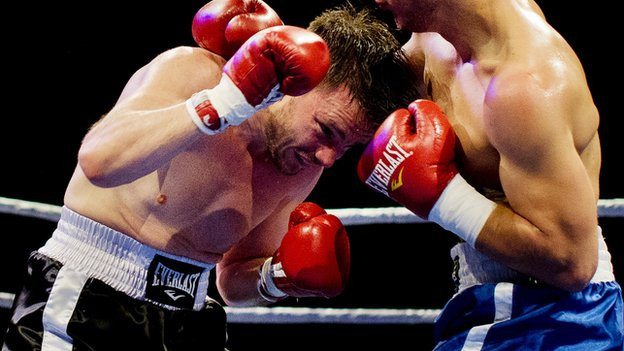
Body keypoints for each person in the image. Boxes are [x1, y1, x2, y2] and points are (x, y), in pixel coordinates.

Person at [2, 1, 419, 350]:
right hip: (89, 295)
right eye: (328, 131)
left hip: (191, 320)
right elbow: (98, 161)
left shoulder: (302, 162)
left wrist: (276, 278)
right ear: (299, 82)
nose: (329, 157)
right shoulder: (196, 73)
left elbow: (232, 282)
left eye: (347, 149)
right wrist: (220, 104)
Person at [358, 0, 623, 350]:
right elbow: (360, 93)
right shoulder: (434, 40)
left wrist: (444, 198)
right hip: (490, 299)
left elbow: (573, 262)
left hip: (558, 318)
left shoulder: (523, 88)